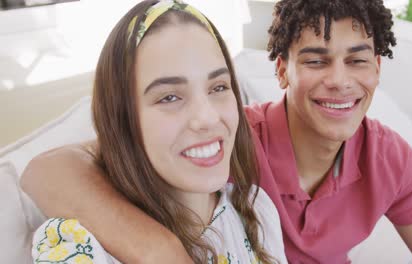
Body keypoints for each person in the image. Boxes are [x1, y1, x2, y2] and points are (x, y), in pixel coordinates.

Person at [22, 0, 412, 263]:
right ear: (282, 71)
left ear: (377, 68)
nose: (340, 81)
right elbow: (51, 170)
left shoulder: (386, 158)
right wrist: (161, 250)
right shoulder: (231, 141)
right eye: (315, 60)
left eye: (357, 60)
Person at [27, 1, 287, 263]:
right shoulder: (79, 247)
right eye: (170, 97)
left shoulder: (255, 209)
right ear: (123, 119)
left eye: (218, 87)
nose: (207, 118)